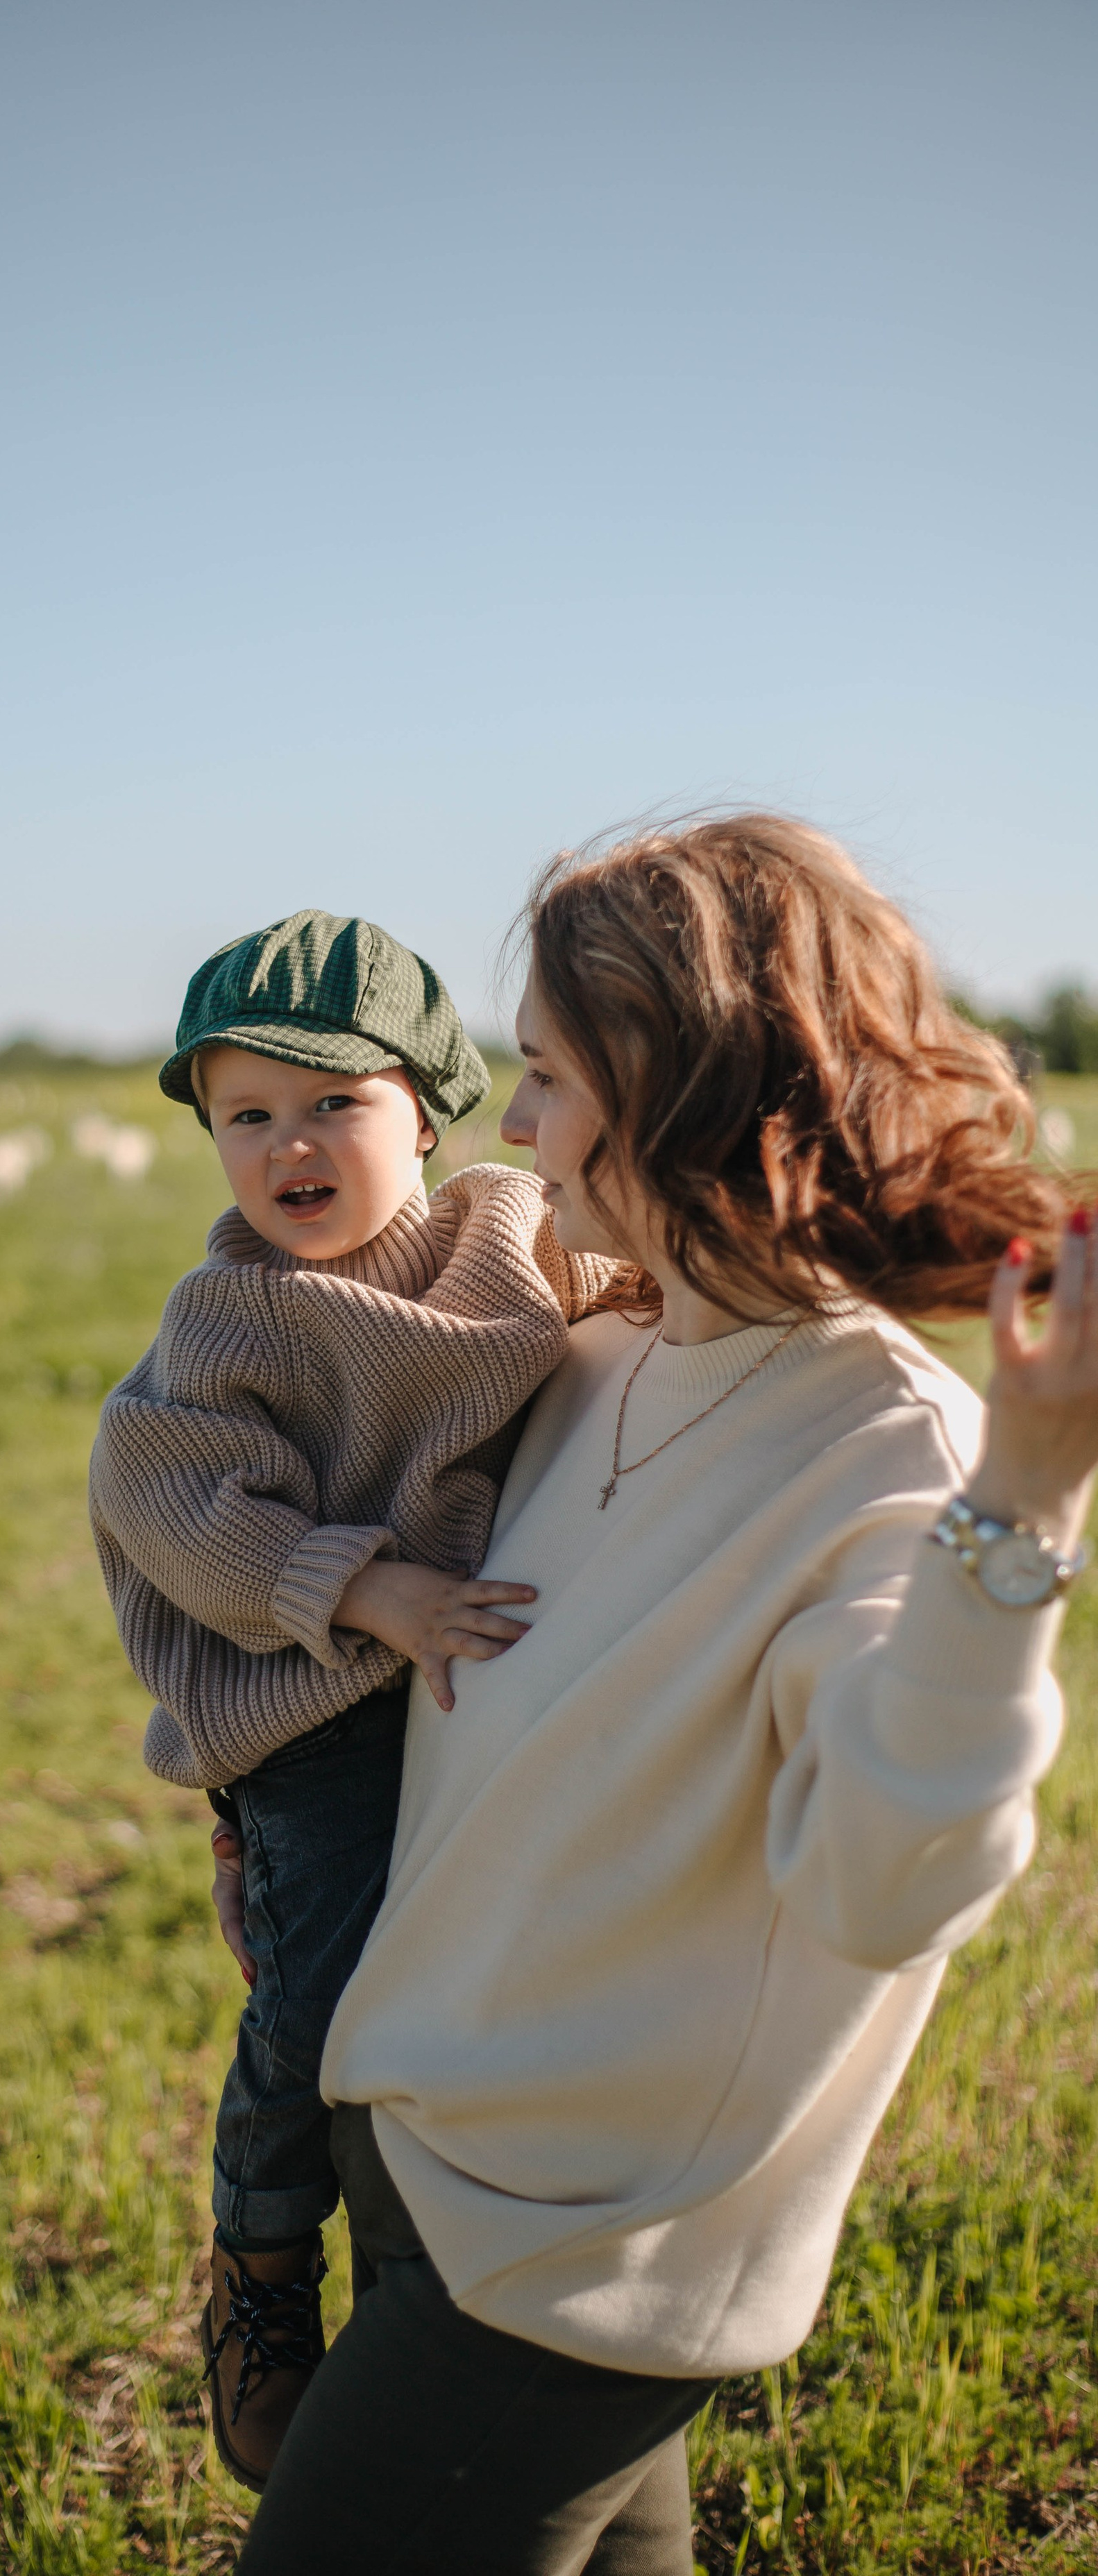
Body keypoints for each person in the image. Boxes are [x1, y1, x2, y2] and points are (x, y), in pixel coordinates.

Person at [224, 816, 1093, 2576]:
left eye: (545, 1073)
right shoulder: (591, 1349)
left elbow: (888, 1882)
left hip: (564, 2261)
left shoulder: (886, 1450)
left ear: (681, 1092)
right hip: (419, 2155)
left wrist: (1027, 1496)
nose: (516, 1125)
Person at [90, 908, 618, 2487]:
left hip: (471, 1676)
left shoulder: (509, 1232)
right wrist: (363, 1585)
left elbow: (612, 1290)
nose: (286, 1147)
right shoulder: (234, 1316)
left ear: (430, 1106)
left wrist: (643, 1311)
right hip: (309, 1700)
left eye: (332, 1102)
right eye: (243, 1115)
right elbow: (172, 1500)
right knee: (315, 1994)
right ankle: (258, 2255)